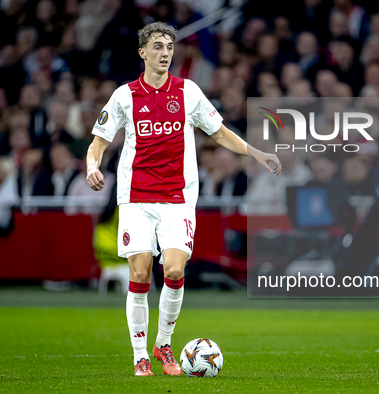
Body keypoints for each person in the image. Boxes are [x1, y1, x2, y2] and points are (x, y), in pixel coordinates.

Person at [84, 22, 281, 377]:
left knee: (174, 270)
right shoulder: (124, 96)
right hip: (136, 198)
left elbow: (219, 132)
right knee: (141, 273)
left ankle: (164, 344)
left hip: (177, 199)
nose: (165, 53)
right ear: (142, 52)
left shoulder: (188, 92)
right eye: (157, 47)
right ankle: (139, 354)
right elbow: (99, 140)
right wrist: (92, 166)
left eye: (169, 47)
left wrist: (256, 153)